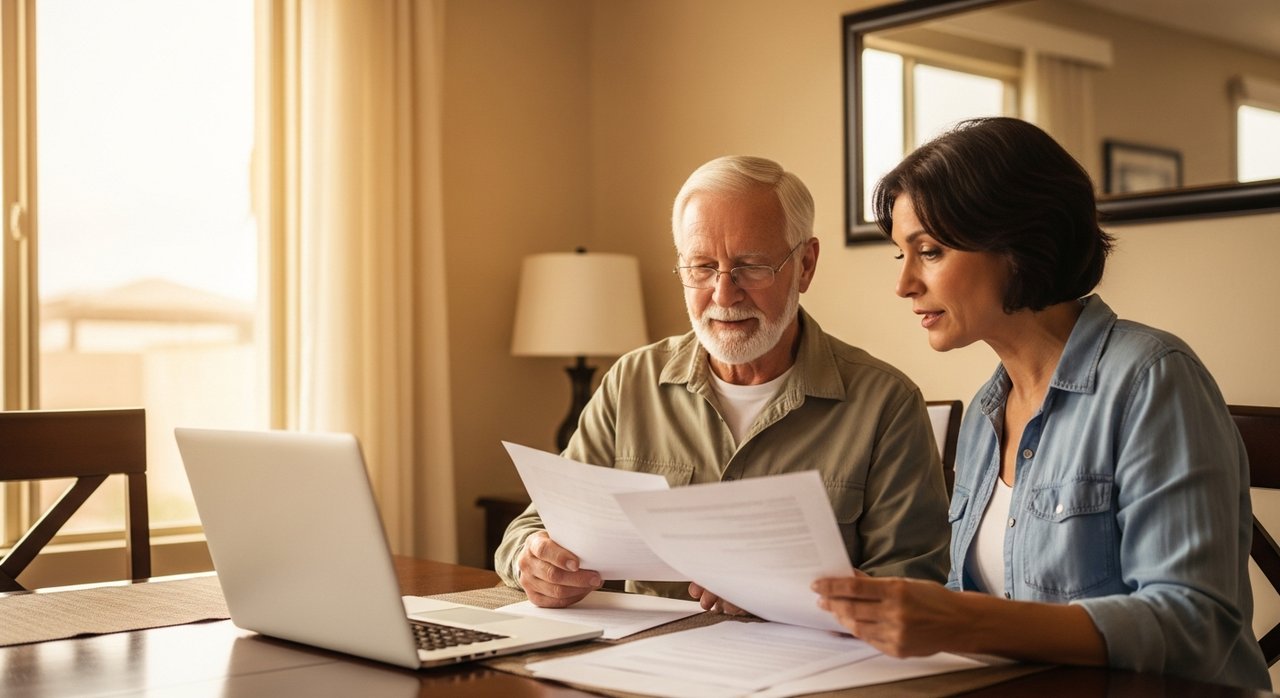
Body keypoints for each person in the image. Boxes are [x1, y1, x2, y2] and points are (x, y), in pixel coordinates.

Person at [813, 117, 1270, 690]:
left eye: (928, 251)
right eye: (899, 256)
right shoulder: (986, 411)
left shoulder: (1153, 379)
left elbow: (1193, 626)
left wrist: (961, 621)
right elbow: (975, 603)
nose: (904, 284)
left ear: (1019, 245)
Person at [496, 155, 950, 611]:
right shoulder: (631, 383)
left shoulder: (886, 403)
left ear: (806, 265)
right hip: (650, 669)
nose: (723, 293)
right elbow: (532, 528)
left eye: (751, 267)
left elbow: (917, 589)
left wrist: (792, 596)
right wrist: (532, 561)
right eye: (701, 267)